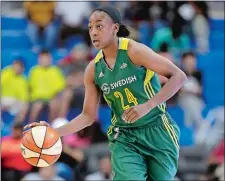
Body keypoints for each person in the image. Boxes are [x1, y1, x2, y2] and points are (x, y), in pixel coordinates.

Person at [25, 5, 187, 180]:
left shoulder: (134, 51)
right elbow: (87, 116)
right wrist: (55, 132)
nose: (93, 32)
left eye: (99, 26)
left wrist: (147, 106)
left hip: (157, 129)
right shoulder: (93, 70)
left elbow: (179, 76)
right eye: (90, 27)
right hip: (124, 135)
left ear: (115, 28)